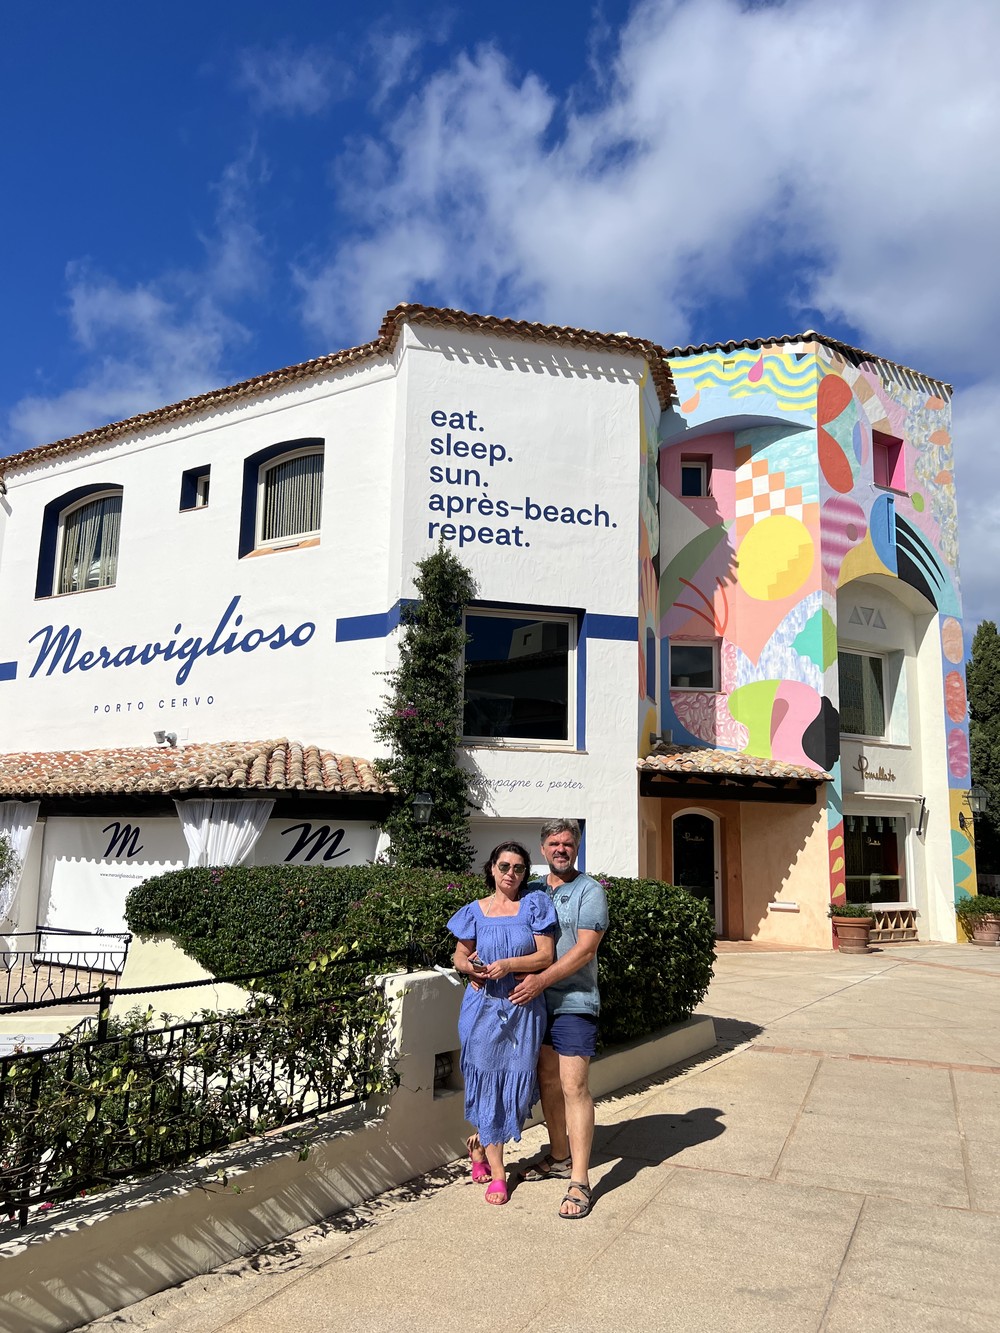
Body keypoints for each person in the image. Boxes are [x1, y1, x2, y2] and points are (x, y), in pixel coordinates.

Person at [448, 841, 557, 1205]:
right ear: (492, 868)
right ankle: (498, 1173)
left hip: (523, 1008)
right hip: (481, 1011)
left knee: (516, 1085)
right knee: (487, 1084)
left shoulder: (534, 906)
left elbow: (546, 955)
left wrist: (509, 965)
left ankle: (479, 1145)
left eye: (519, 868)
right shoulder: (474, 911)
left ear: (525, 873)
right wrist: (469, 968)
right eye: (505, 866)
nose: (511, 873)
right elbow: (459, 954)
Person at [509, 819, 608, 1219]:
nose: (561, 849)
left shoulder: (590, 891)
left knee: (573, 1086)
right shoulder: (532, 890)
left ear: (577, 847)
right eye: (554, 843)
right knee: (547, 1080)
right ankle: (560, 1156)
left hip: (574, 1002)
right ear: (543, 848)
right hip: (536, 1005)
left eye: (567, 843)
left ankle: (580, 1180)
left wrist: (541, 980)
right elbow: (507, 926)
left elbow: (585, 950)